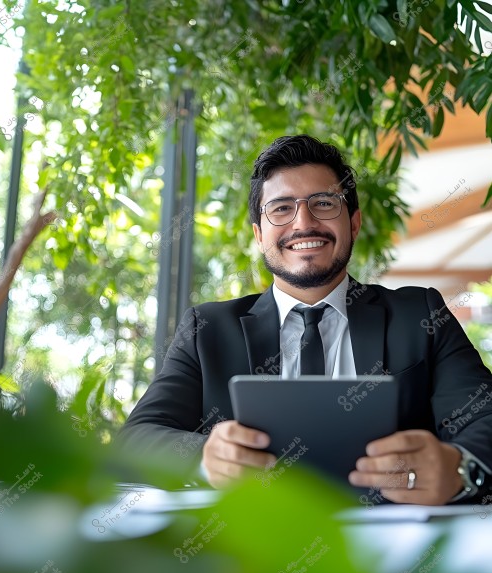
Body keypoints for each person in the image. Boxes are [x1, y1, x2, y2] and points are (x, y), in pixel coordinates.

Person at [119, 135, 492, 505]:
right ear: (258, 234)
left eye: (324, 203)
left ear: (354, 223)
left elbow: (485, 419)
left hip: (397, 548)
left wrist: (459, 468)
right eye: (281, 209)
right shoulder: (207, 329)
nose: (304, 223)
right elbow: (135, 442)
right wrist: (204, 458)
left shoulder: (420, 314)